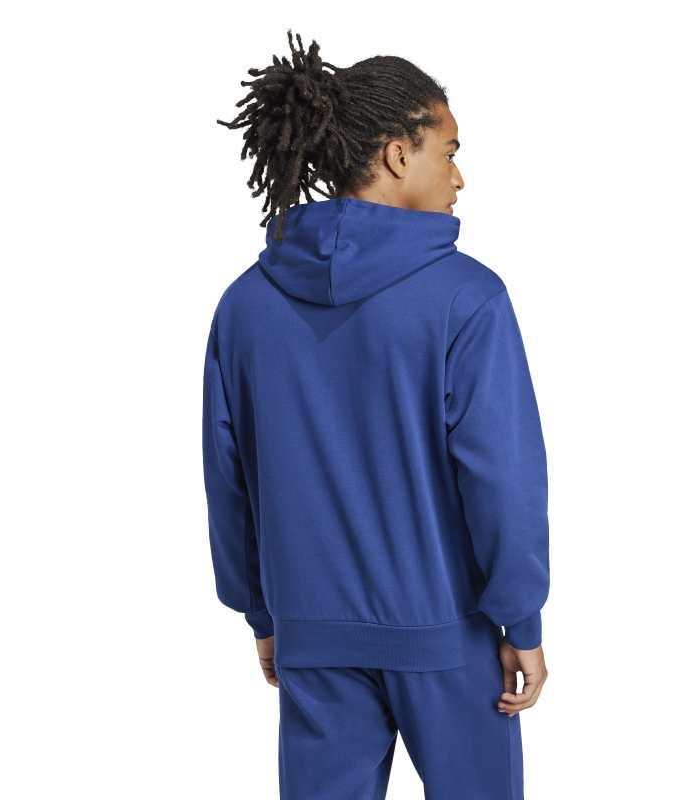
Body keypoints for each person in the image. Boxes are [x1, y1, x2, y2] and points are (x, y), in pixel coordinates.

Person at [203, 29, 550, 799]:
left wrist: (264, 612)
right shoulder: (468, 298)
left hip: (311, 632)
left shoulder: (245, 306)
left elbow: (229, 479)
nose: (458, 176)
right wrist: (520, 620)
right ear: (398, 154)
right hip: (448, 636)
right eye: (448, 152)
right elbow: (503, 478)